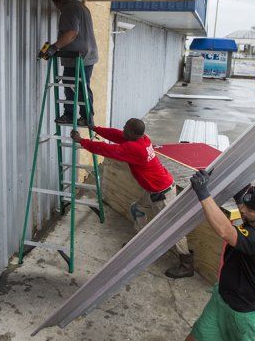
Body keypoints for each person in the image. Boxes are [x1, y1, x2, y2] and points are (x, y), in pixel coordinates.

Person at [71, 118, 194, 278]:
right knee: (137, 209)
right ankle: (139, 245)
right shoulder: (142, 139)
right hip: (155, 189)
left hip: (162, 194)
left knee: (172, 229)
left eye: (126, 127)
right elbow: (116, 135)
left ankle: (186, 264)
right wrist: (96, 128)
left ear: (133, 133)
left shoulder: (135, 149)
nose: (123, 129)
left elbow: (106, 149)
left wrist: (82, 141)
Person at [186, 170, 255, 341]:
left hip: (244, 315)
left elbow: (225, 231)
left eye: (249, 209)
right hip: (221, 299)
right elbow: (246, 201)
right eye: (244, 204)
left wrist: (203, 192)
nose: (241, 209)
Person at [41, 0, 98, 126]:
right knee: (81, 87)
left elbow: (71, 33)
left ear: (56, 2)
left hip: (78, 58)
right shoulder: (81, 7)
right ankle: (85, 117)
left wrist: (54, 48)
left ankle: (73, 115)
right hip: (88, 56)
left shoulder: (68, 9)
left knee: (73, 86)